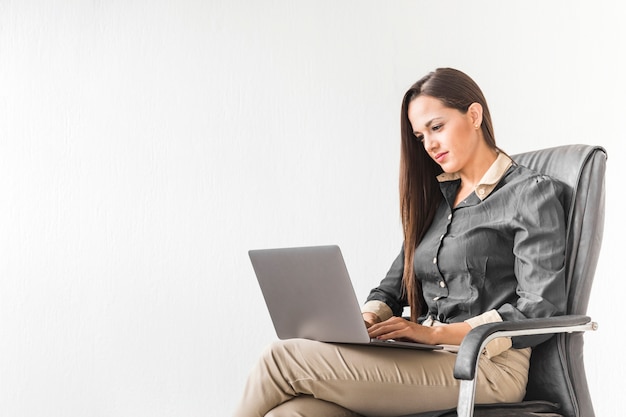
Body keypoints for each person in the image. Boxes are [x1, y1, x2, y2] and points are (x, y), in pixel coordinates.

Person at [232, 67, 567, 417]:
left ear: (474, 114)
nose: (430, 144)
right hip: (428, 359)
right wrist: (362, 323)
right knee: (292, 413)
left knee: (281, 358)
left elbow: (539, 308)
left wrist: (436, 335)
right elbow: (392, 290)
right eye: (421, 136)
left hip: (487, 369)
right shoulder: (438, 202)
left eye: (436, 127)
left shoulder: (531, 193)